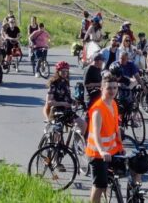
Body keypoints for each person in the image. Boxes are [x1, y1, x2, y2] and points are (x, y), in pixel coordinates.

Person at [86, 72, 124, 203]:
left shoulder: (113, 103)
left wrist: (121, 146)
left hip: (111, 150)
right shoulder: (98, 109)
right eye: (109, 88)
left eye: (115, 87)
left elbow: (116, 128)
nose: (112, 91)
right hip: (97, 153)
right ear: (102, 88)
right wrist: (102, 151)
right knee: (99, 186)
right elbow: (96, 134)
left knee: (138, 165)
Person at [44, 61, 86, 129]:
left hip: (67, 112)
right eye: (62, 71)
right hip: (57, 112)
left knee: (83, 124)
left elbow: (67, 98)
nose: (65, 73)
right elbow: (49, 102)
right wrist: (63, 103)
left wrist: (74, 102)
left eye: (66, 71)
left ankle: (78, 139)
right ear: (58, 71)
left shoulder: (66, 82)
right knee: (57, 132)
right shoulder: (54, 84)